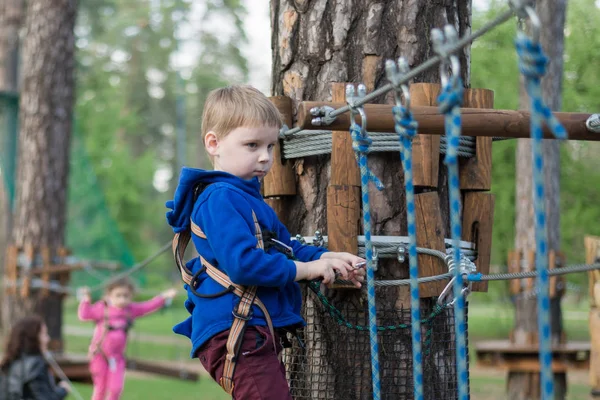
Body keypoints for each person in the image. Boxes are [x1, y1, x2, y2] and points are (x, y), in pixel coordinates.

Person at [166, 85, 366, 399]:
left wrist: (328, 258)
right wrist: (308, 269)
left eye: (271, 146)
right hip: (237, 332)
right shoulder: (220, 199)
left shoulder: (244, 198)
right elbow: (245, 265)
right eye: (252, 145)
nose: (265, 157)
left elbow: (283, 248)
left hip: (250, 330)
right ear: (214, 143)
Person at [77, 277, 177, 400]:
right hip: (99, 355)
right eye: (118, 295)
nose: (122, 299)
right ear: (109, 295)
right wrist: (86, 299)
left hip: (117, 358)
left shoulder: (130, 310)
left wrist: (164, 296)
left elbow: (148, 306)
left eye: (126, 296)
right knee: (100, 389)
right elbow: (84, 315)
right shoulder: (102, 308)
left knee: (115, 389)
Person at [0, 315, 71, 400]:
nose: (48, 339)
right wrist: (63, 389)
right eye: (44, 334)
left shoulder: (8, 362)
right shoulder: (35, 365)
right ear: (33, 338)